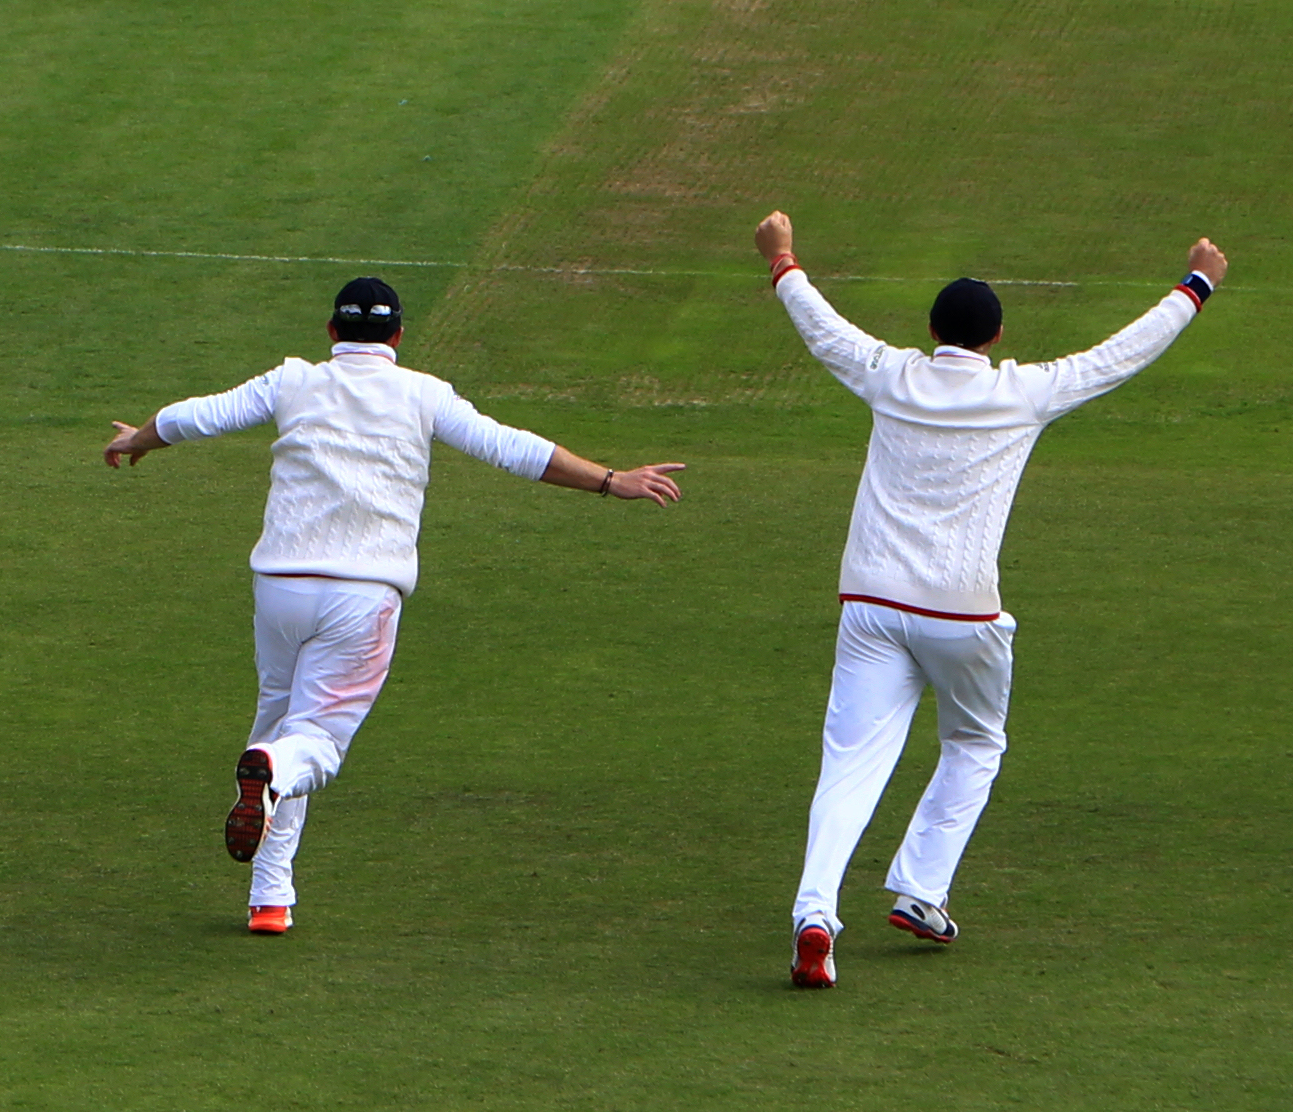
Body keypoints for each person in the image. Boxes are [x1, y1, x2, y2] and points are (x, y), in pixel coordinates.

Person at [106, 277, 682, 934]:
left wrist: (138, 440)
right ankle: (271, 779)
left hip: (281, 586)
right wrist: (611, 481)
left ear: (331, 333)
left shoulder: (293, 380)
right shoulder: (422, 393)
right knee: (311, 744)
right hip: (365, 596)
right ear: (400, 337)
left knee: (279, 720)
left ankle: (270, 898)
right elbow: (515, 449)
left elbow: (197, 415)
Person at [759, 211, 1225, 988]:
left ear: (932, 329)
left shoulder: (889, 372)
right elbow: (1118, 357)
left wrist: (782, 259)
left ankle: (815, 914)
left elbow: (823, 328)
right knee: (974, 744)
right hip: (963, 613)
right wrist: (1196, 285)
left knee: (849, 767)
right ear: (997, 336)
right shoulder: (1025, 391)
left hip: (870, 602)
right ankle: (921, 889)